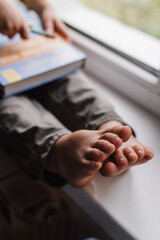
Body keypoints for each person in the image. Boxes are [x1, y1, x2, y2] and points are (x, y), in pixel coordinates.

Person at [0, 0, 154, 189]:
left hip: (32, 50)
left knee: (72, 86)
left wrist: (44, 8)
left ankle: (109, 126)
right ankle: (58, 151)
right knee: (12, 109)